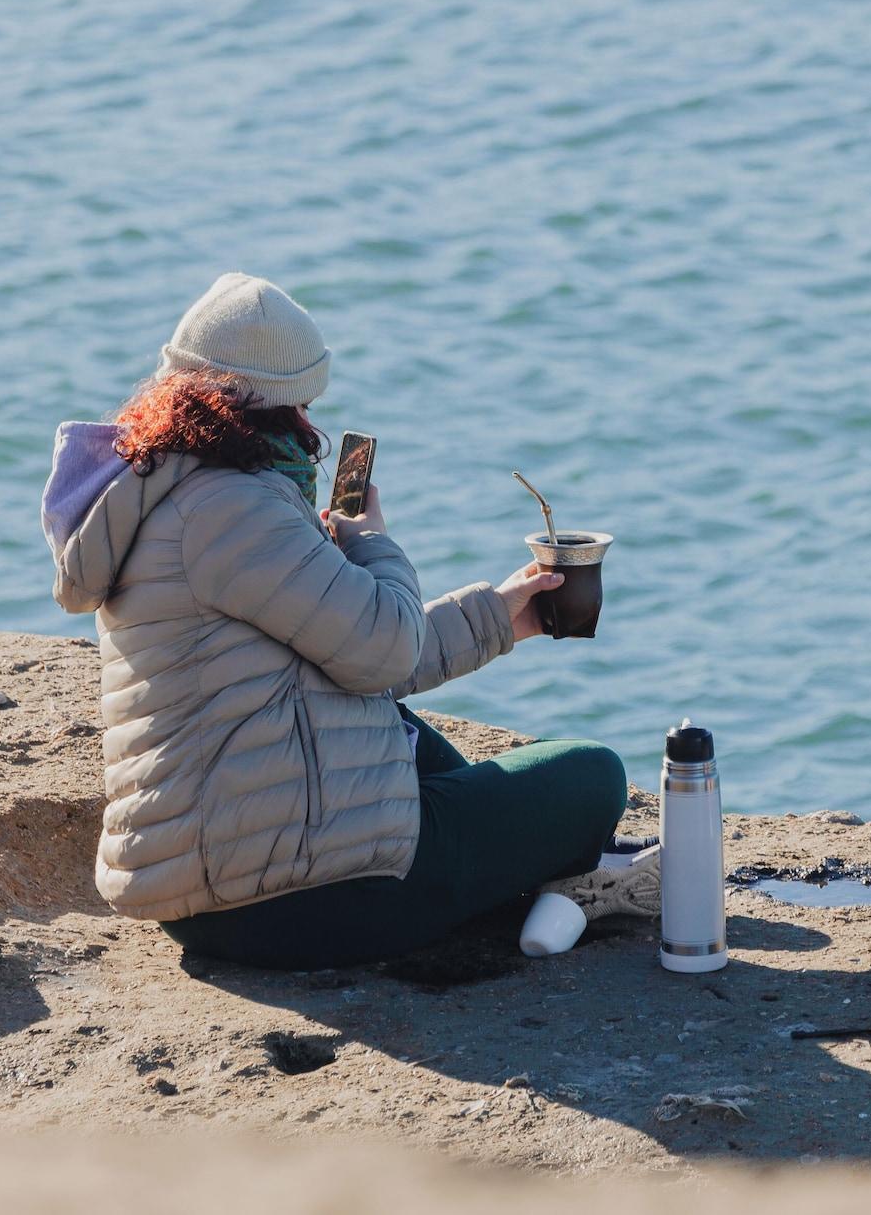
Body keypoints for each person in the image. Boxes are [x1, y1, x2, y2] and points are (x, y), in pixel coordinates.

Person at [41, 272, 658, 969]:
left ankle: (517, 870)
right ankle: (549, 877)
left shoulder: (170, 490)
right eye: (304, 405)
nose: (312, 428)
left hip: (213, 893)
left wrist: (499, 618)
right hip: (302, 898)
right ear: (275, 406)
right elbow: (384, 651)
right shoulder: (233, 510)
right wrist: (368, 538)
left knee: (404, 736)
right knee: (592, 775)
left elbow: (347, 655)